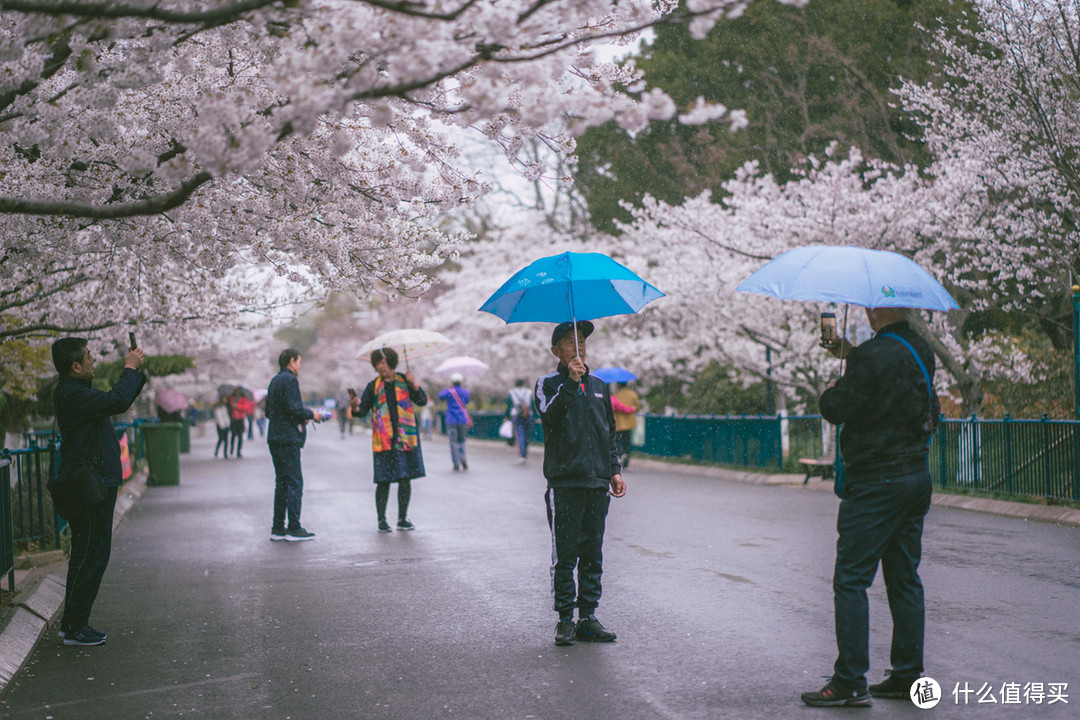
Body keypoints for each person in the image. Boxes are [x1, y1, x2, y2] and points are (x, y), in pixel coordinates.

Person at [801, 307, 941, 707]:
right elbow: (891, 384)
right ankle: (907, 674)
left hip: (877, 480)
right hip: (915, 474)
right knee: (904, 578)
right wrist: (851, 353)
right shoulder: (920, 349)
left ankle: (849, 680)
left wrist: (833, 386)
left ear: (875, 310)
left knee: (851, 579)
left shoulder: (869, 357)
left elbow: (836, 409)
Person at [536, 320, 626, 646]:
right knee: (566, 553)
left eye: (582, 342)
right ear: (556, 350)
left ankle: (588, 616)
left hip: (597, 482)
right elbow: (550, 417)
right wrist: (571, 384)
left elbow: (609, 434)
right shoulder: (548, 384)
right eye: (570, 343)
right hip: (564, 482)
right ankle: (564, 619)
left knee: (593, 552)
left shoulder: (600, 386)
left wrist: (613, 469)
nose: (579, 348)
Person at [51, 337, 146, 646]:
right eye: (89, 357)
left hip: (92, 482)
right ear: (74, 366)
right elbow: (116, 401)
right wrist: (129, 369)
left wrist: (135, 373)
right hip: (89, 485)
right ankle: (75, 626)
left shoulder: (76, 392)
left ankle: (72, 624)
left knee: (86, 552)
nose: (93, 361)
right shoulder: (73, 395)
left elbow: (118, 400)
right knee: (91, 553)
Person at [351, 347, 428, 533]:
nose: (381, 366)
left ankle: (402, 518)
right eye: (378, 363)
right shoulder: (373, 386)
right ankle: (382, 520)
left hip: (405, 437)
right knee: (383, 481)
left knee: (404, 478)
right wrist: (355, 406)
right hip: (384, 439)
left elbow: (422, 401)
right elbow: (362, 411)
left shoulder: (404, 380)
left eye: (384, 363)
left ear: (392, 363)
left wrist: (415, 384)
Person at [266, 349, 323, 542]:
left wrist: (298, 415)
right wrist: (310, 414)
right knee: (294, 482)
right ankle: (294, 527)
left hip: (274, 437)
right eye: (299, 362)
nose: (300, 366)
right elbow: (294, 408)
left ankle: (278, 527)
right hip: (288, 439)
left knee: (281, 483)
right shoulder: (290, 380)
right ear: (292, 361)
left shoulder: (274, 381)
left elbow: (269, 411)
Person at [437, 372, 471, 471]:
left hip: (451, 420)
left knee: (453, 441)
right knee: (462, 441)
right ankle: (463, 459)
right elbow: (467, 401)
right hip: (462, 419)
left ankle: (456, 462)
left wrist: (449, 387)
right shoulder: (465, 392)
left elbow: (440, 396)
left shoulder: (448, 391)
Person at [611, 382, 640, 468]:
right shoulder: (633, 394)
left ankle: (620, 457)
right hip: (629, 422)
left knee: (618, 442)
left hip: (619, 423)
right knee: (627, 442)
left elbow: (616, 407)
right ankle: (626, 460)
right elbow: (637, 407)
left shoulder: (616, 395)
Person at [507, 378, 533, 463]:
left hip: (516, 414)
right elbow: (532, 404)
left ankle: (522, 455)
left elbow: (509, 405)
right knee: (527, 435)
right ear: (523, 384)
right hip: (528, 414)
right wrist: (536, 416)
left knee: (520, 434)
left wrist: (507, 416)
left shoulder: (512, 392)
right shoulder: (529, 392)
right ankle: (525, 452)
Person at [226, 387, 249, 458]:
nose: (237, 392)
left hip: (240, 419)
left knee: (240, 436)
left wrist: (237, 406)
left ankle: (239, 451)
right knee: (233, 435)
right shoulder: (230, 398)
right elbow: (228, 407)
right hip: (233, 419)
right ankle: (232, 449)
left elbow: (245, 407)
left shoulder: (243, 398)